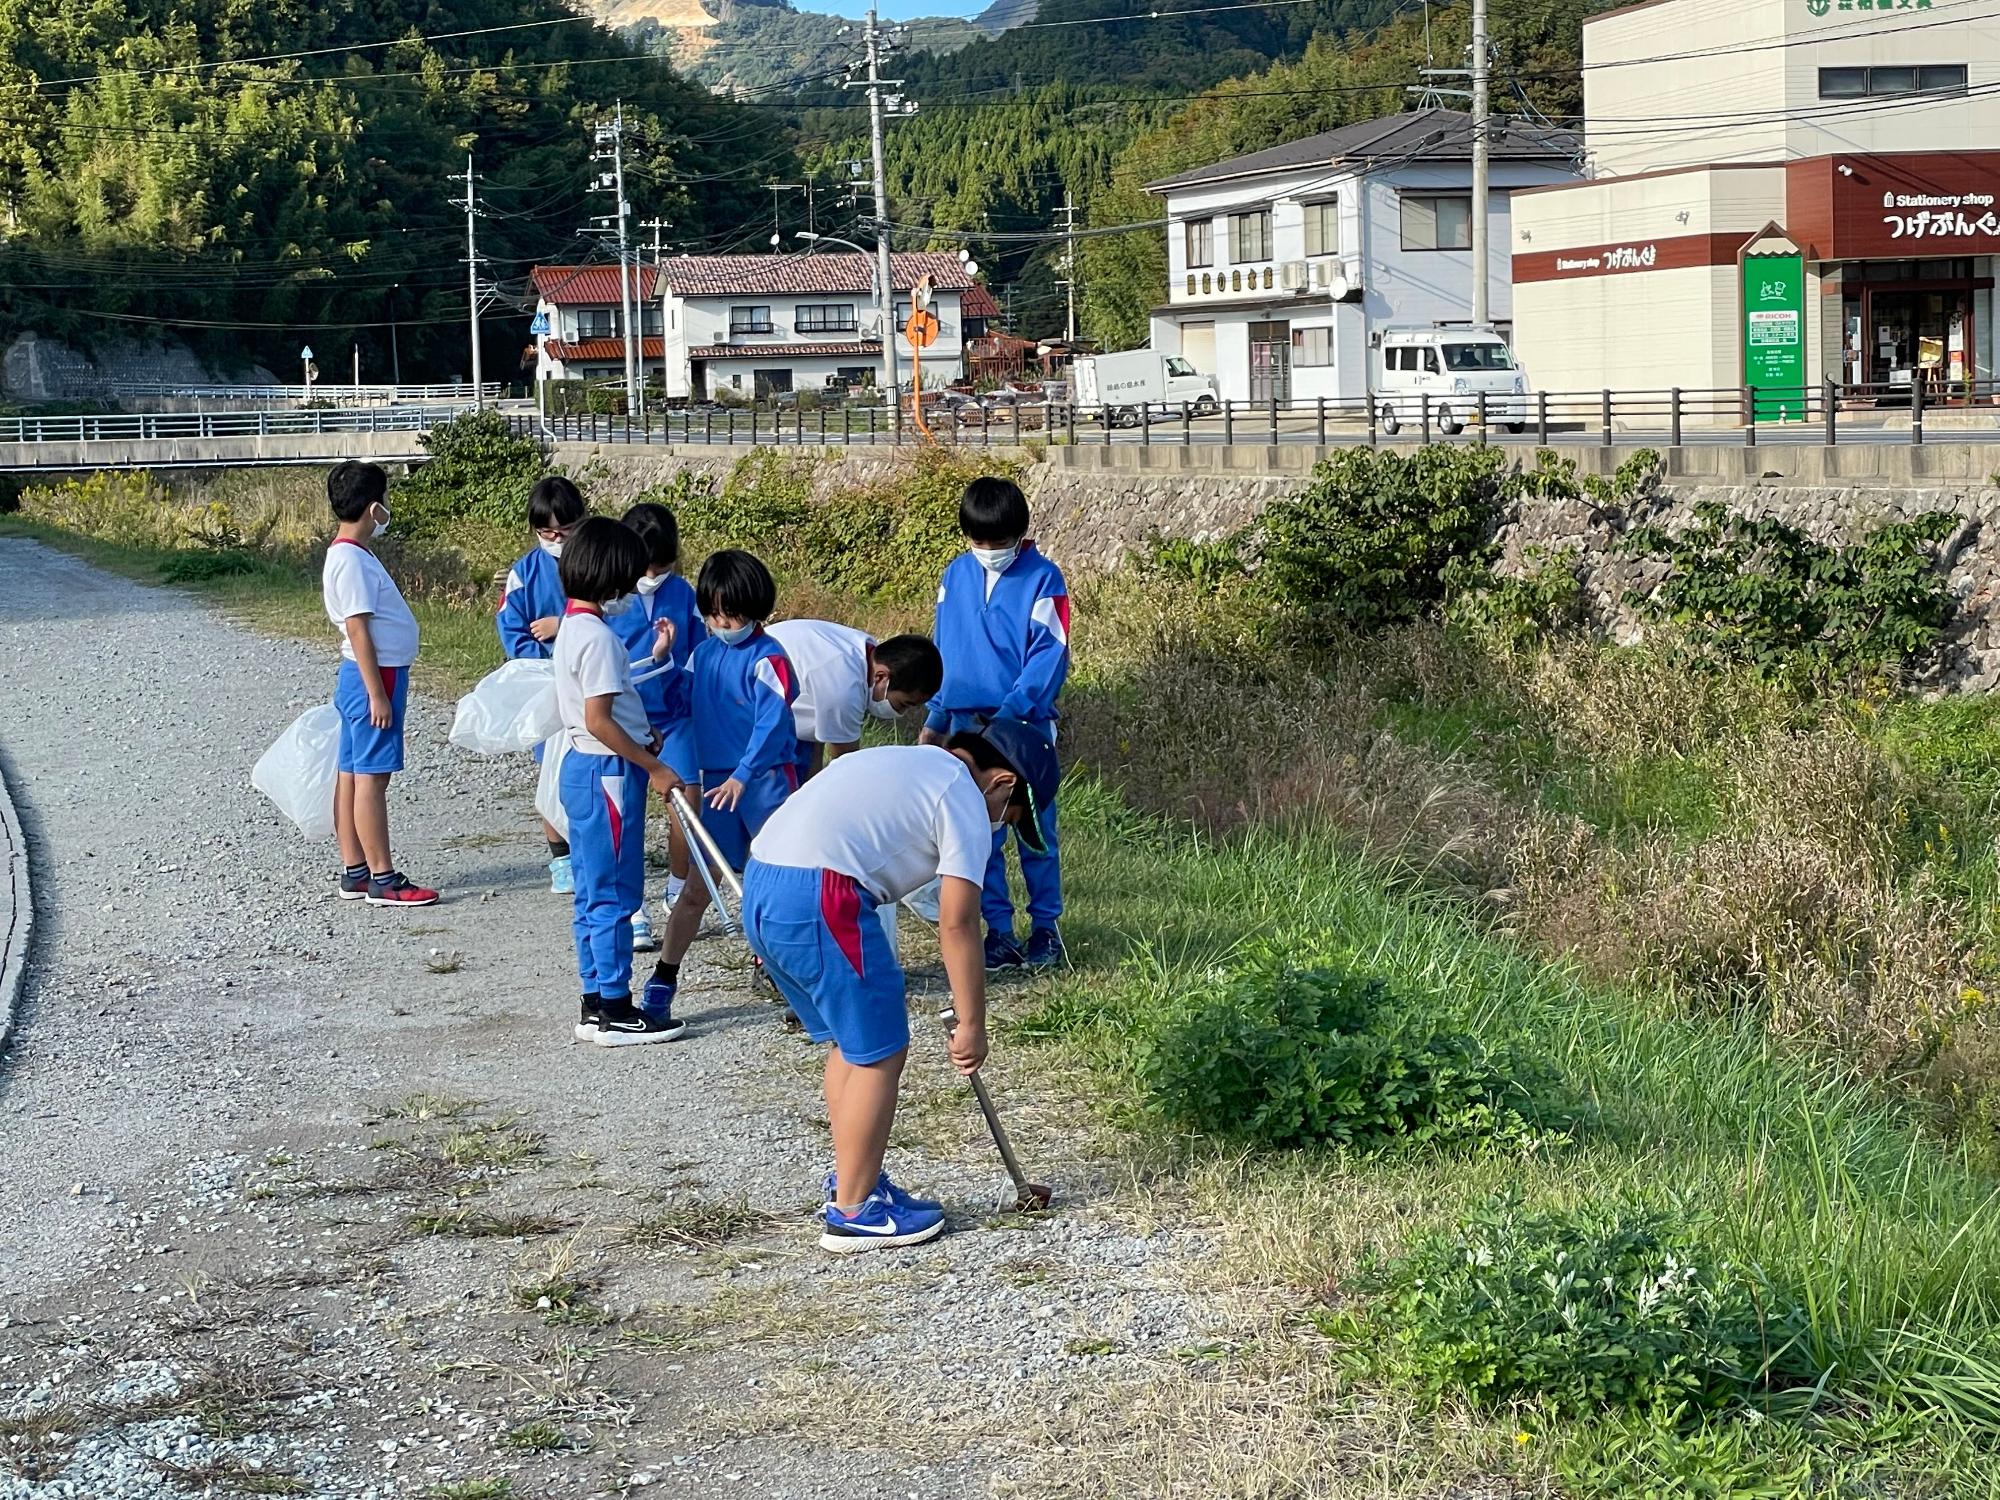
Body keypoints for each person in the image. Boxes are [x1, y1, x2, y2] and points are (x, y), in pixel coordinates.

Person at [742, 719, 1059, 1252]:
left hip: (763, 881)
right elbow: (958, 923)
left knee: (852, 1044)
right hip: (823, 895)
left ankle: (853, 1178)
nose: (1000, 826)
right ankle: (854, 1212)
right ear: (1003, 782)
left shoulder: (914, 761)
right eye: (1009, 816)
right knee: (881, 1051)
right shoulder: (965, 796)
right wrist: (972, 1023)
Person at [919, 476, 1070, 971]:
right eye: (978, 540)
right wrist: (937, 716)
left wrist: (1009, 715)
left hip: (1022, 728)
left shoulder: (1044, 578)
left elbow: (1049, 654)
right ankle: (999, 931)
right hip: (965, 725)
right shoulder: (956, 574)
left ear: (1019, 533)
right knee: (977, 834)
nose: (988, 550)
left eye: (998, 541)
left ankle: (1046, 929)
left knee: (1034, 830)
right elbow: (945, 646)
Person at [646, 549, 799, 1018]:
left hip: (764, 781)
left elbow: (772, 724)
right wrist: (663, 660)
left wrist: (743, 775)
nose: (721, 622)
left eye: (729, 614)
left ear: (753, 607)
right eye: (712, 613)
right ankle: (663, 979)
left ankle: (790, 975)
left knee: (778, 883)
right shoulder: (703, 654)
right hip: (716, 784)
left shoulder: (770, 657)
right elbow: (679, 703)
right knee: (698, 886)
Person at [552, 518, 687, 1046]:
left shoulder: (573, 626)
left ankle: (594, 1000)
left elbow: (611, 701)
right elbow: (599, 719)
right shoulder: (600, 638)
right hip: (607, 772)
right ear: (612, 577)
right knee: (615, 893)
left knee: (591, 890)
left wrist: (642, 731)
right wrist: (654, 766)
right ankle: (616, 1007)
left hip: (582, 769)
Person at [322, 461, 439, 908]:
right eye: (385, 501)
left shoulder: (346, 553)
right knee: (372, 777)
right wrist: (378, 693)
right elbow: (358, 629)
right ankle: (383, 878)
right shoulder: (352, 561)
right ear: (375, 509)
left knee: (352, 771)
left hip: (361, 675)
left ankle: (356, 869)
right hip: (376, 675)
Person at [610, 501, 706, 955]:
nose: (654, 576)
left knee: (687, 801)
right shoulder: (610, 596)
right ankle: (632, 908)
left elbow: (699, 654)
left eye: (663, 568)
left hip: (674, 712)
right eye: (648, 568)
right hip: (623, 718)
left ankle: (677, 887)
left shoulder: (683, 593)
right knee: (624, 813)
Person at [497, 476, 589, 896]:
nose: (556, 539)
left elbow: (615, 614)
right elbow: (512, 632)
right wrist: (543, 665)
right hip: (545, 685)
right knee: (550, 773)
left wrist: (562, 625)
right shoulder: (524, 573)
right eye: (546, 532)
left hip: (589, 682)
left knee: (588, 771)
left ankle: (590, 847)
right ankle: (561, 858)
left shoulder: (596, 562)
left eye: (564, 530)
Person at [766, 619, 943, 779]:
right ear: (881, 677)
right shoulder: (844, 689)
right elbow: (846, 768)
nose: (902, 712)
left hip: (776, 683)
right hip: (755, 700)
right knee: (775, 791)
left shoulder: (866, 653)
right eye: (903, 704)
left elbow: (820, 735)